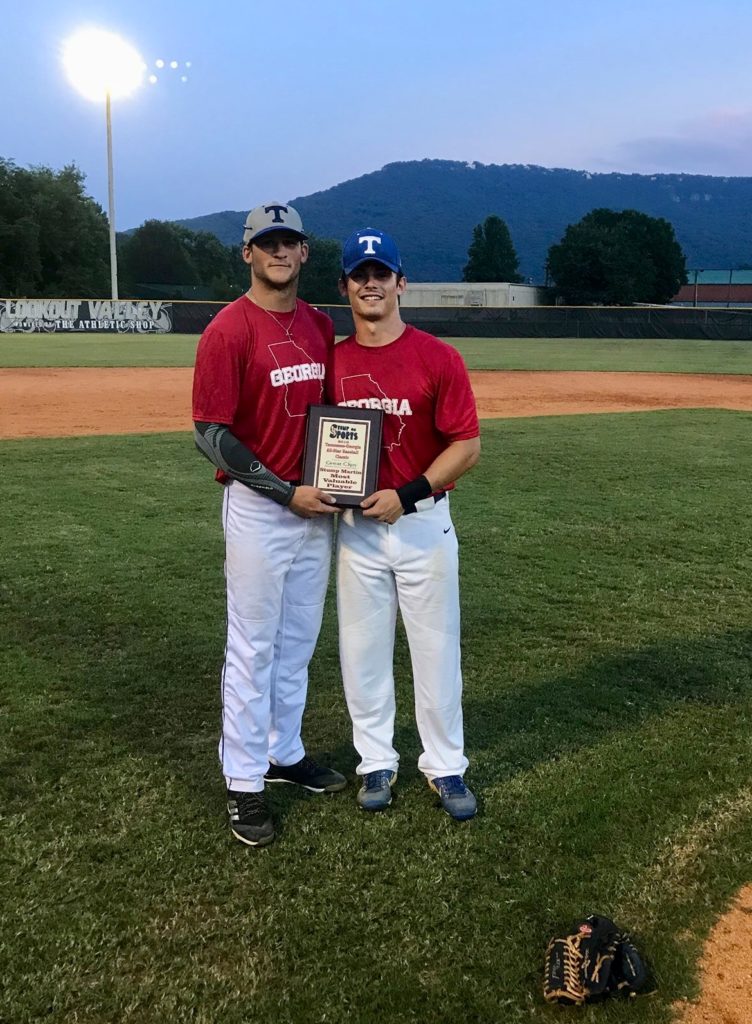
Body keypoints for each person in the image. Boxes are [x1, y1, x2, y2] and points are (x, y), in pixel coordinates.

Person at [192, 201, 345, 848]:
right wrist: (285, 492)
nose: (281, 252)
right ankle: (244, 783)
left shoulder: (318, 325)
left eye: (292, 242)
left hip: (315, 509)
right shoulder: (228, 330)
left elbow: (336, 416)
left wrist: (341, 483)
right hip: (261, 509)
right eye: (268, 242)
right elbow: (209, 433)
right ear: (248, 253)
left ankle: (284, 752)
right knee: (252, 648)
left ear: (305, 253)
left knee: (297, 642)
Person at [329, 227, 481, 820]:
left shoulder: (438, 356)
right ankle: (376, 762)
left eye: (381, 273)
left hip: (423, 524)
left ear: (401, 283)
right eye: (360, 275)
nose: (371, 283)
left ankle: (445, 767)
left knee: (437, 651)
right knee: (361, 652)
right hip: (358, 531)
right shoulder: (331, 361)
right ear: (345, 286)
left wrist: (408, 492)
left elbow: (466, 447)